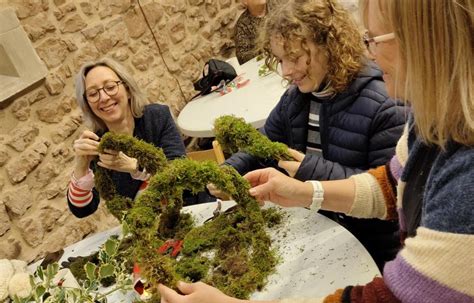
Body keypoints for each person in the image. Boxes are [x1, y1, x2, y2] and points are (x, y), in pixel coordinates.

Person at [159, 0, 474, 303]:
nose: (369, 53)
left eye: (375, 41)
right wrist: (307, 191)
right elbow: (393, 184)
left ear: (426, 42)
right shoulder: (436, 117)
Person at [223, 0, 407, 268]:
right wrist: (229, 170)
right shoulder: (296, 99)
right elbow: (262, 143)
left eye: (295, 58)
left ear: (328, 46)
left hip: (370, 250)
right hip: (317, 231)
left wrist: (310, 170)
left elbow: (389, 193)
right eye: (280, 59)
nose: (285, 71)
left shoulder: (384, 105)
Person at [68, 58, 210, 218]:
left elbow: (180, 173)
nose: (104, 97)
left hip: (192, 210)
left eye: (110, 87)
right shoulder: (98, 144)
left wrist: (136, 167)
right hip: (146, 229)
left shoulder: (156, 117)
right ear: (88, 105)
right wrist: (81, 165)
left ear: (127, 90)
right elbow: (83, 210)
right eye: (93, 94)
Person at [234, 0, 272, 65]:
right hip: (265, 65)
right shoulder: (242, 25)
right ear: (245, 1)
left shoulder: (278, 7)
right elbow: (243, 57)